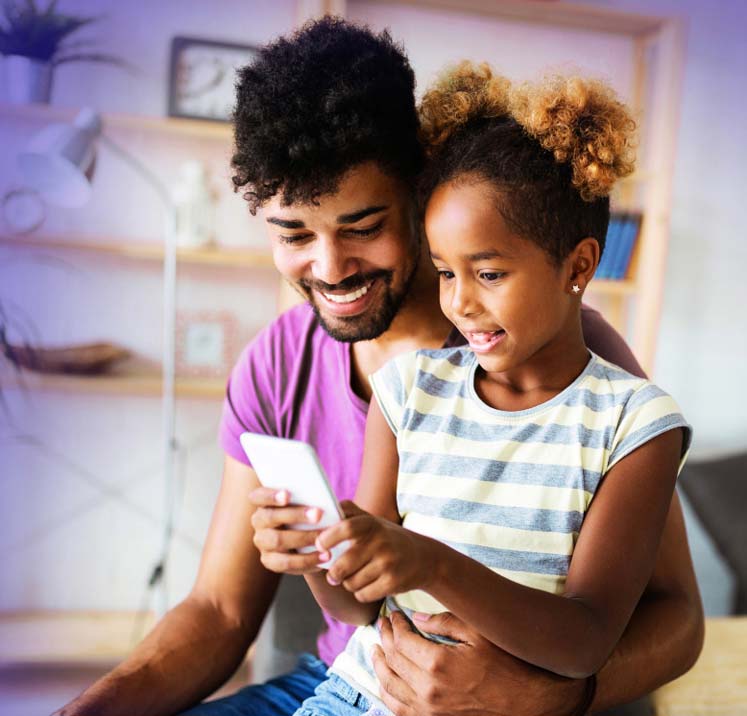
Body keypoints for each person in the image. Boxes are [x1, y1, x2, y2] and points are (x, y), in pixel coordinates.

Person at [54, 18, 703, 716]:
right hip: (351, 681)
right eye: (294, 234)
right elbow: (219, 607)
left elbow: (671, 619)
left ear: (419, 191)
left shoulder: (583, 368)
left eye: (362, 227)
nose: (329, 269)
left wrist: (551, 698)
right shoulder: (288, 367)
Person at [275, 63, 692, 716]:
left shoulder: (634, 424)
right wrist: (314, 550)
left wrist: (433, 565)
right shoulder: (407, 391)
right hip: (354, 695)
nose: (459, 304)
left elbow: (583, 642)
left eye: (489, 272)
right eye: (444, 272)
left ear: (577, 267)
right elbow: (355, 606)